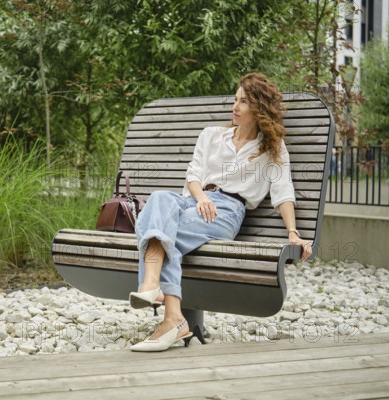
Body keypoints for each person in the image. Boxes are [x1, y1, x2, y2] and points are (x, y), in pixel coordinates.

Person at [129, 72, 312, 352]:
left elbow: (283, 192)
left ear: (259, 108)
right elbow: (193, 175)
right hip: (194, 199)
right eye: (235, 99)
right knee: (159, 199)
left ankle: (163, 305)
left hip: (226, 211)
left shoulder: (272, 149)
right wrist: (201, 196)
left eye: (243, 102)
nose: (234, 107)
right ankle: (167, 307)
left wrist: (292, 233)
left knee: (161, 231)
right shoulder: (212, 135)